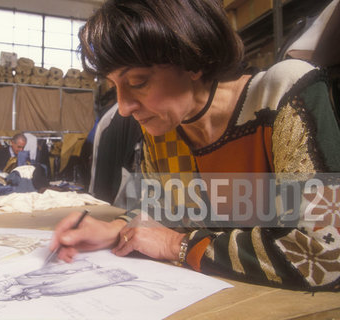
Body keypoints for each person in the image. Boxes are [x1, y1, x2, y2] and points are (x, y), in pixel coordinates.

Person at [50, 0, 340, 291]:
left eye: (138, 81)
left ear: (193, 61)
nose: (123, 108)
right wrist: (115, 230)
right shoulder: (163, 129)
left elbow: (323, 252)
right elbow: (165, 209)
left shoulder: (279, 94)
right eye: (115, 85)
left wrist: (176, 245)